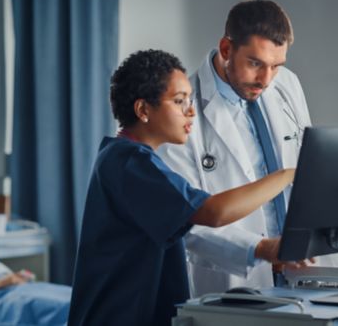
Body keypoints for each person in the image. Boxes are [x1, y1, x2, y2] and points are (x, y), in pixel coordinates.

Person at [68, 49, 306, 326]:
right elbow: (213, 212)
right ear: (143, 110)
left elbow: (190, 227)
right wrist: (288, 174)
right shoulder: (129, 163)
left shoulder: (130, 159)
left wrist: (262, 247)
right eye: (179, 101)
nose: (191, 111)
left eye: (190, 100)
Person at [157, 0, 338, 297]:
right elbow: (186, 223)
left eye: (276, 65)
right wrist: (261, 249)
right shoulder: (183, 108)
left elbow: (307, 171)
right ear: (226, 49)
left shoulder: (286, 84)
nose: (266, 79)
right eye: (255, 63)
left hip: (302, 268)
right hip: (238, 273)